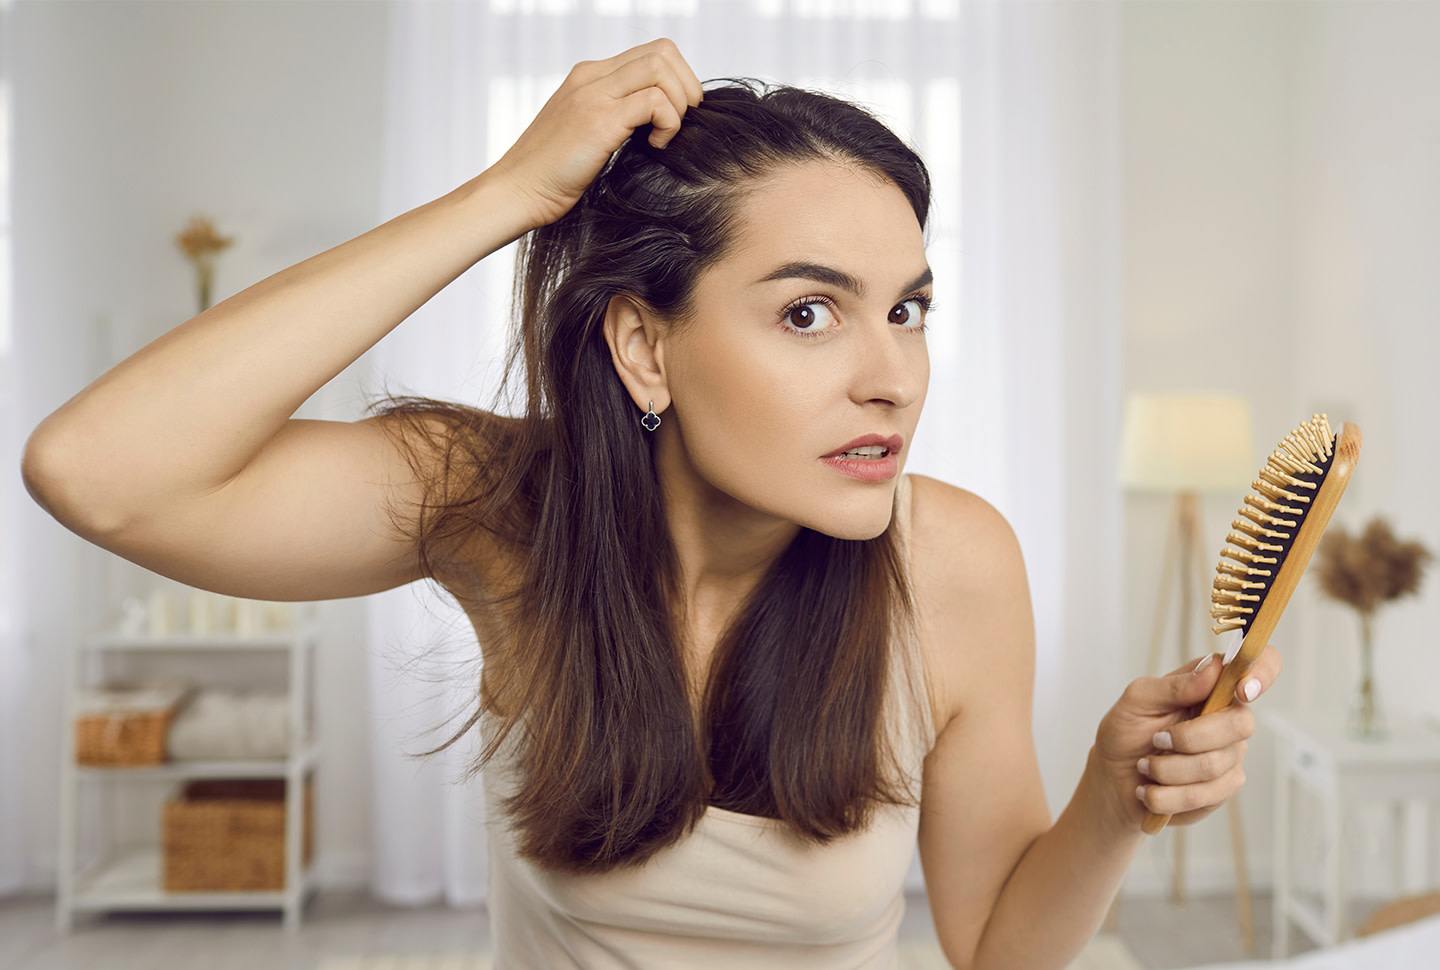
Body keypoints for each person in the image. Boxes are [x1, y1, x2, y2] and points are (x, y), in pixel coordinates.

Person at [22, 39, 1278, 970]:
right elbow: (100, 472)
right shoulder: (500, 511)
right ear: (645, 348)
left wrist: (1115, 799)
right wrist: (506, 196)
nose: (892, 375)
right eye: (807, 311)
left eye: (907, 308)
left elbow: (997, 947)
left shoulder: (954, 565)